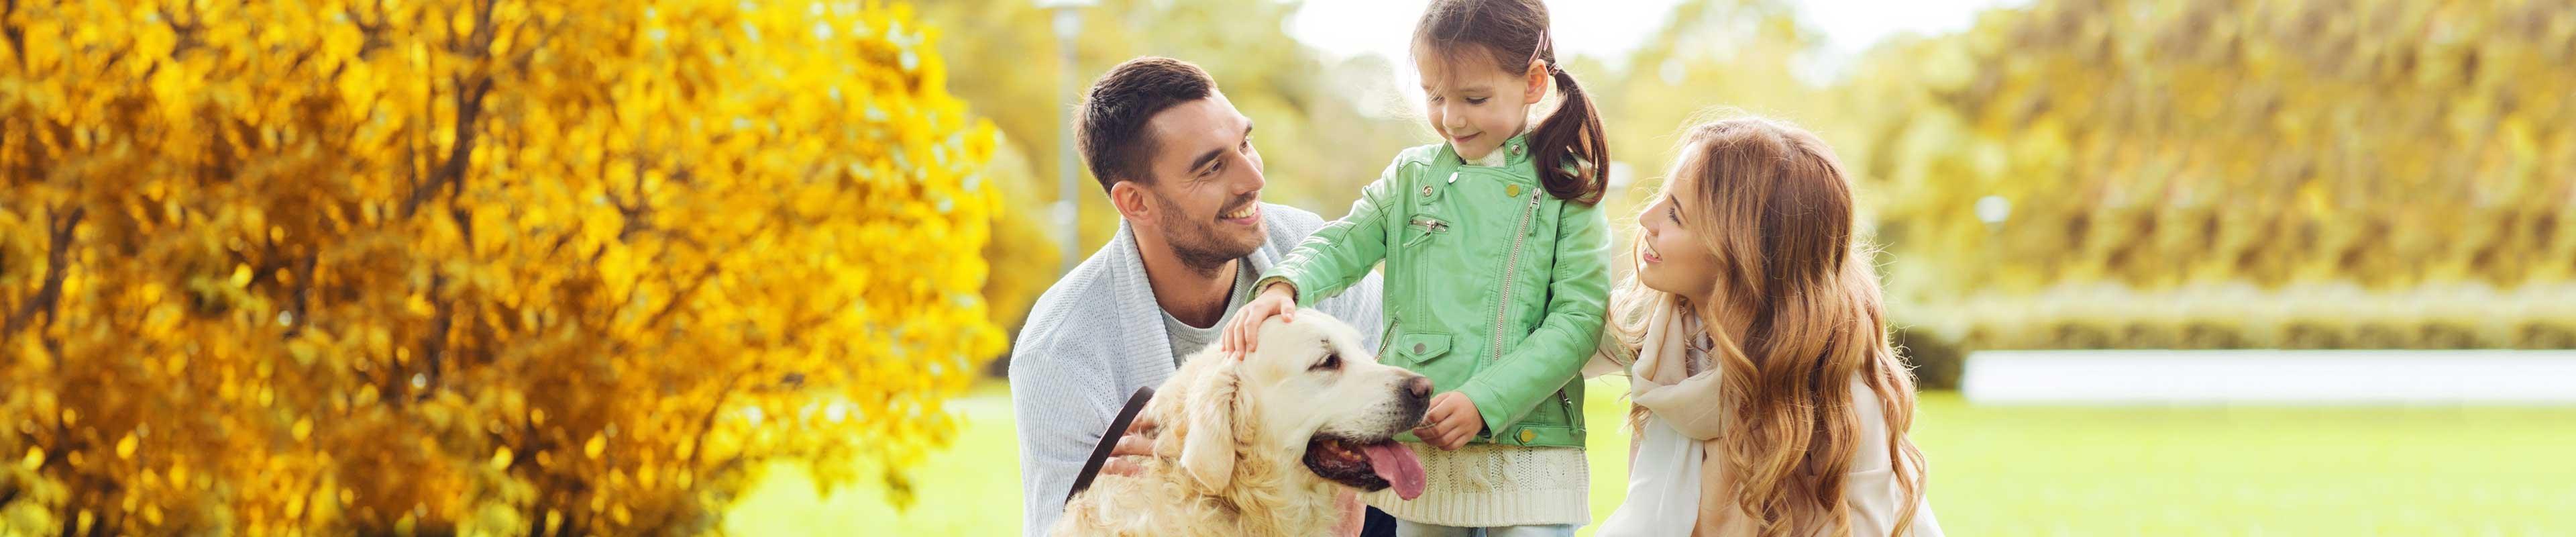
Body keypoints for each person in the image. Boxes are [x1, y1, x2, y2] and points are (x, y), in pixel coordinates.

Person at [1221, 0, 1615, 534]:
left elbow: (1577, 322)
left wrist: (1485, 401)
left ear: (1534, 82)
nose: (1451, 118)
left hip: (1528, 448)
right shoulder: (1411, 179)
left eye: (1474, 98)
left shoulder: (1570, 187)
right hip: (1423, 444)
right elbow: (1341, 242)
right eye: (1435, 97)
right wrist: (1285, 284)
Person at [1008, 56, 1389, 536]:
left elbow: (1398, 392)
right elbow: (1064, 526)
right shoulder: (1062, 351)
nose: (1252, 179)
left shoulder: (1312, 251)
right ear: (1135, 202)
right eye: (1212, 167)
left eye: (1246, 143)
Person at [1589, 117, 1944, 536]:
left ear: (1742, 256)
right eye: (1662, 199)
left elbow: (1867, 526)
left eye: (1677, 216)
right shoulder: (1656, 325)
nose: (1646, 218)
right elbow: (1543, 348)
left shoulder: (1839, 384)